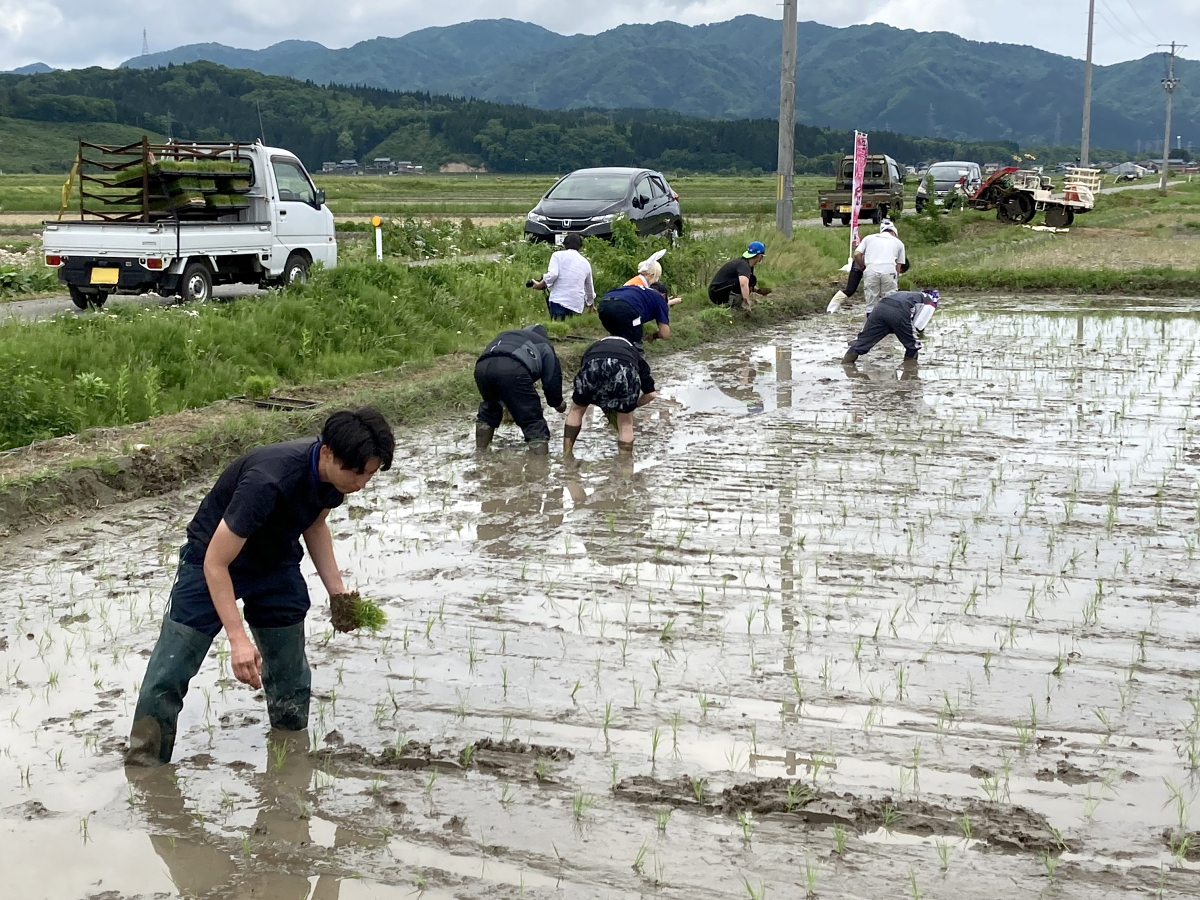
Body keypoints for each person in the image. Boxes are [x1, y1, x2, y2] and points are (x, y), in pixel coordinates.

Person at [126, 408, 395, 766]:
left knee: (289, 666)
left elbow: (315, 524)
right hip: (213, 560)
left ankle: (289, 750)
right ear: (328, 452)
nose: (361, 483)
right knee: (170, 671)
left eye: (370, 475)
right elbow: (215, 563)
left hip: (276, 560)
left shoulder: (332, 479)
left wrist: (337, 593)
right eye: (357, 472)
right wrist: (237, 639)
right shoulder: (269, 480)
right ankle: (145, 765)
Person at [474, 324, 564, 454]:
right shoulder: (544, 345)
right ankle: (540, 465)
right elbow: (551, 380)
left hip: (482, 367)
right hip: (513, 368)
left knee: (490, 407)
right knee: (532, 419)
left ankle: (480, 453)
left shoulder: (508, 336)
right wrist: (557, 403)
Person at [563, 335, 657, 458]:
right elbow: (651, 394)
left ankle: (566, 454)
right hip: (624, 369)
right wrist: (632, 405)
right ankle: (625, 465)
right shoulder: (635, 353)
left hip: (593, 365)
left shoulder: (593, 347)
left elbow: (584, 369)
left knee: (577, 410)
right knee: (625, 423)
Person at [842, 290, 939, 364]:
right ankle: (910, 373)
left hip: (880, 307)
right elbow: (919, 326)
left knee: (862, 342)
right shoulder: (931, 301)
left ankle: (846, 366)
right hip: (900, 311)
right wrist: (903, 331)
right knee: (912, 346)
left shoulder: (910, 294)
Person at [526, 232, 594, 320]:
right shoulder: (586, 263)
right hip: (576, 304)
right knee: (572, 331)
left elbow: (553, 274)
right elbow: (589, 287)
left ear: (564, 245)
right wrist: (590, 304)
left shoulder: (557, 255)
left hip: (558, 301)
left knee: (557, 329)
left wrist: (540, 284)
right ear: (580, 246)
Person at [596, 281, 678, 352]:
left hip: (604, 304)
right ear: (664, 295)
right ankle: (638, 367)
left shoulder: (638, 290)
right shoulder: (660, 298)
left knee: (617, 338)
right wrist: (653, 336)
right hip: (626, 308)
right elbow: (665, 334)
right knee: (635, 344)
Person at [853, 220, 906, 315]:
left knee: (871, 302)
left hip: (871, 270)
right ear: (894, 232)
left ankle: (871, 326)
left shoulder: (868, 238)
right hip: (889, 271)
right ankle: (887, 325)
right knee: (890, 300)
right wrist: (896, 278)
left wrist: (863, 266)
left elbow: (857, 254)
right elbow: (899, 265)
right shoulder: (899, 243)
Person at [708, 241, 771, 310]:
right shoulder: (743, 265)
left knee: (752, 279)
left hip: (721, 288)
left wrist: (758, 290)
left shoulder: (748, 264)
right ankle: (733, 305)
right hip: (715, 292)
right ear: (759, 256)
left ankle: (735, 304)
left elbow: (747, 282)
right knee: (741, 282)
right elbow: (743, 284)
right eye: (762, 256)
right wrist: (748, 304)